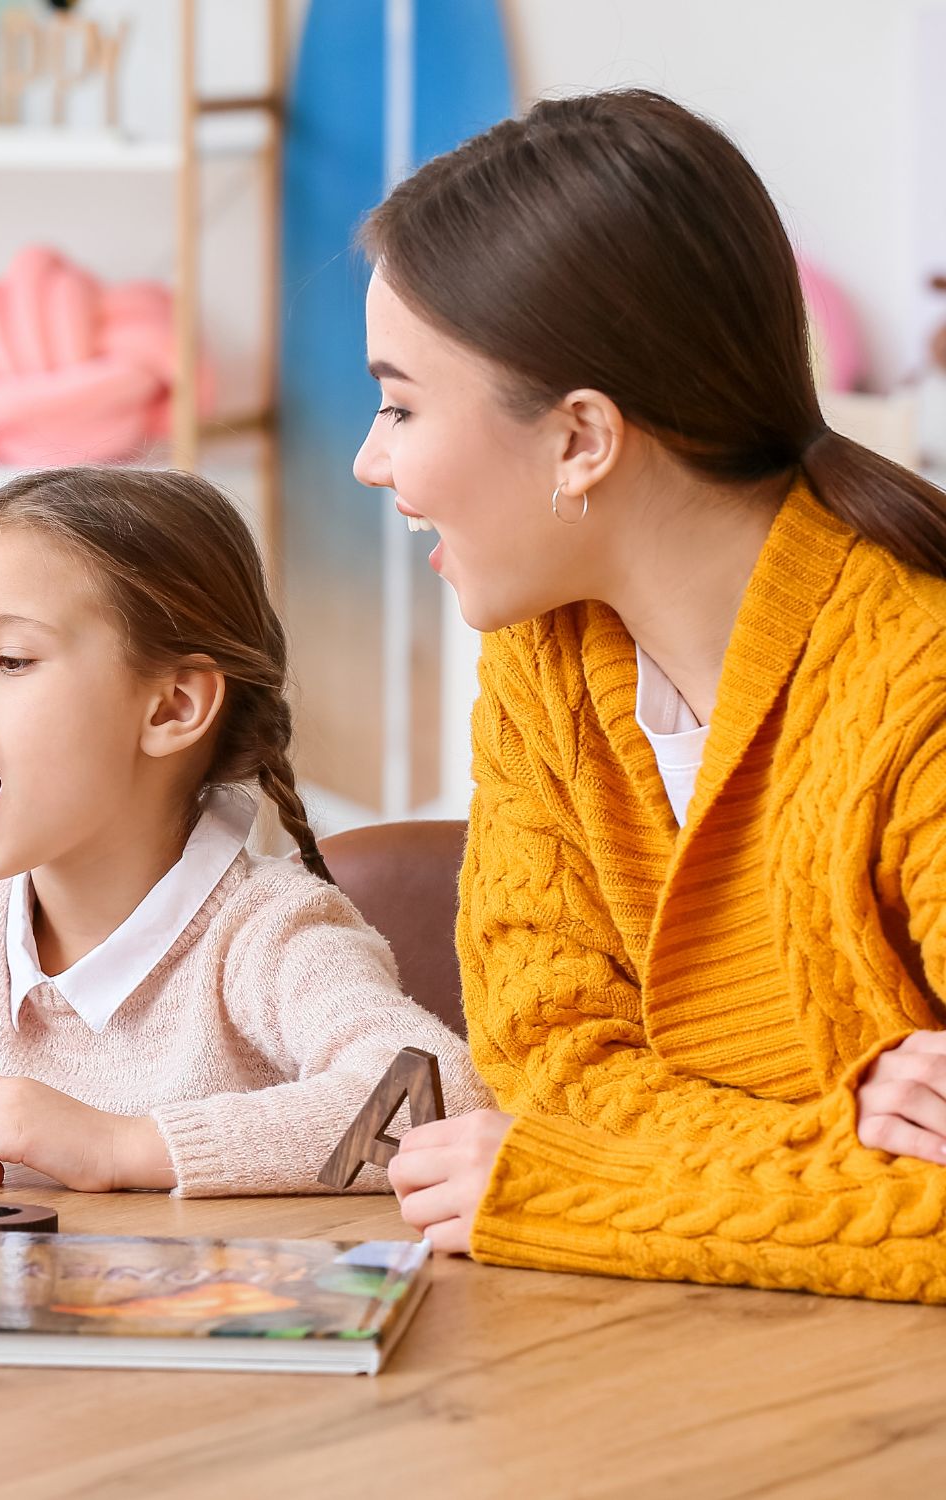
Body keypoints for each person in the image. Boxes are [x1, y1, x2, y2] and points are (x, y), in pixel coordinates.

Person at [354, 88, 946, 1302]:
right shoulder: (543, 658)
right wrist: (845, 1147)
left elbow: (556, 1146)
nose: (374, 461)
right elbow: (551, 1068)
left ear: (581, 439)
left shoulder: (917, 685)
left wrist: (587, 1187)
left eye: (402, 404)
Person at [0, 467, 486, 1194]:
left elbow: (433, 1099)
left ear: (171, 708)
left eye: (10, 659)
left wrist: (124, 1145)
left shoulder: (266, 935)